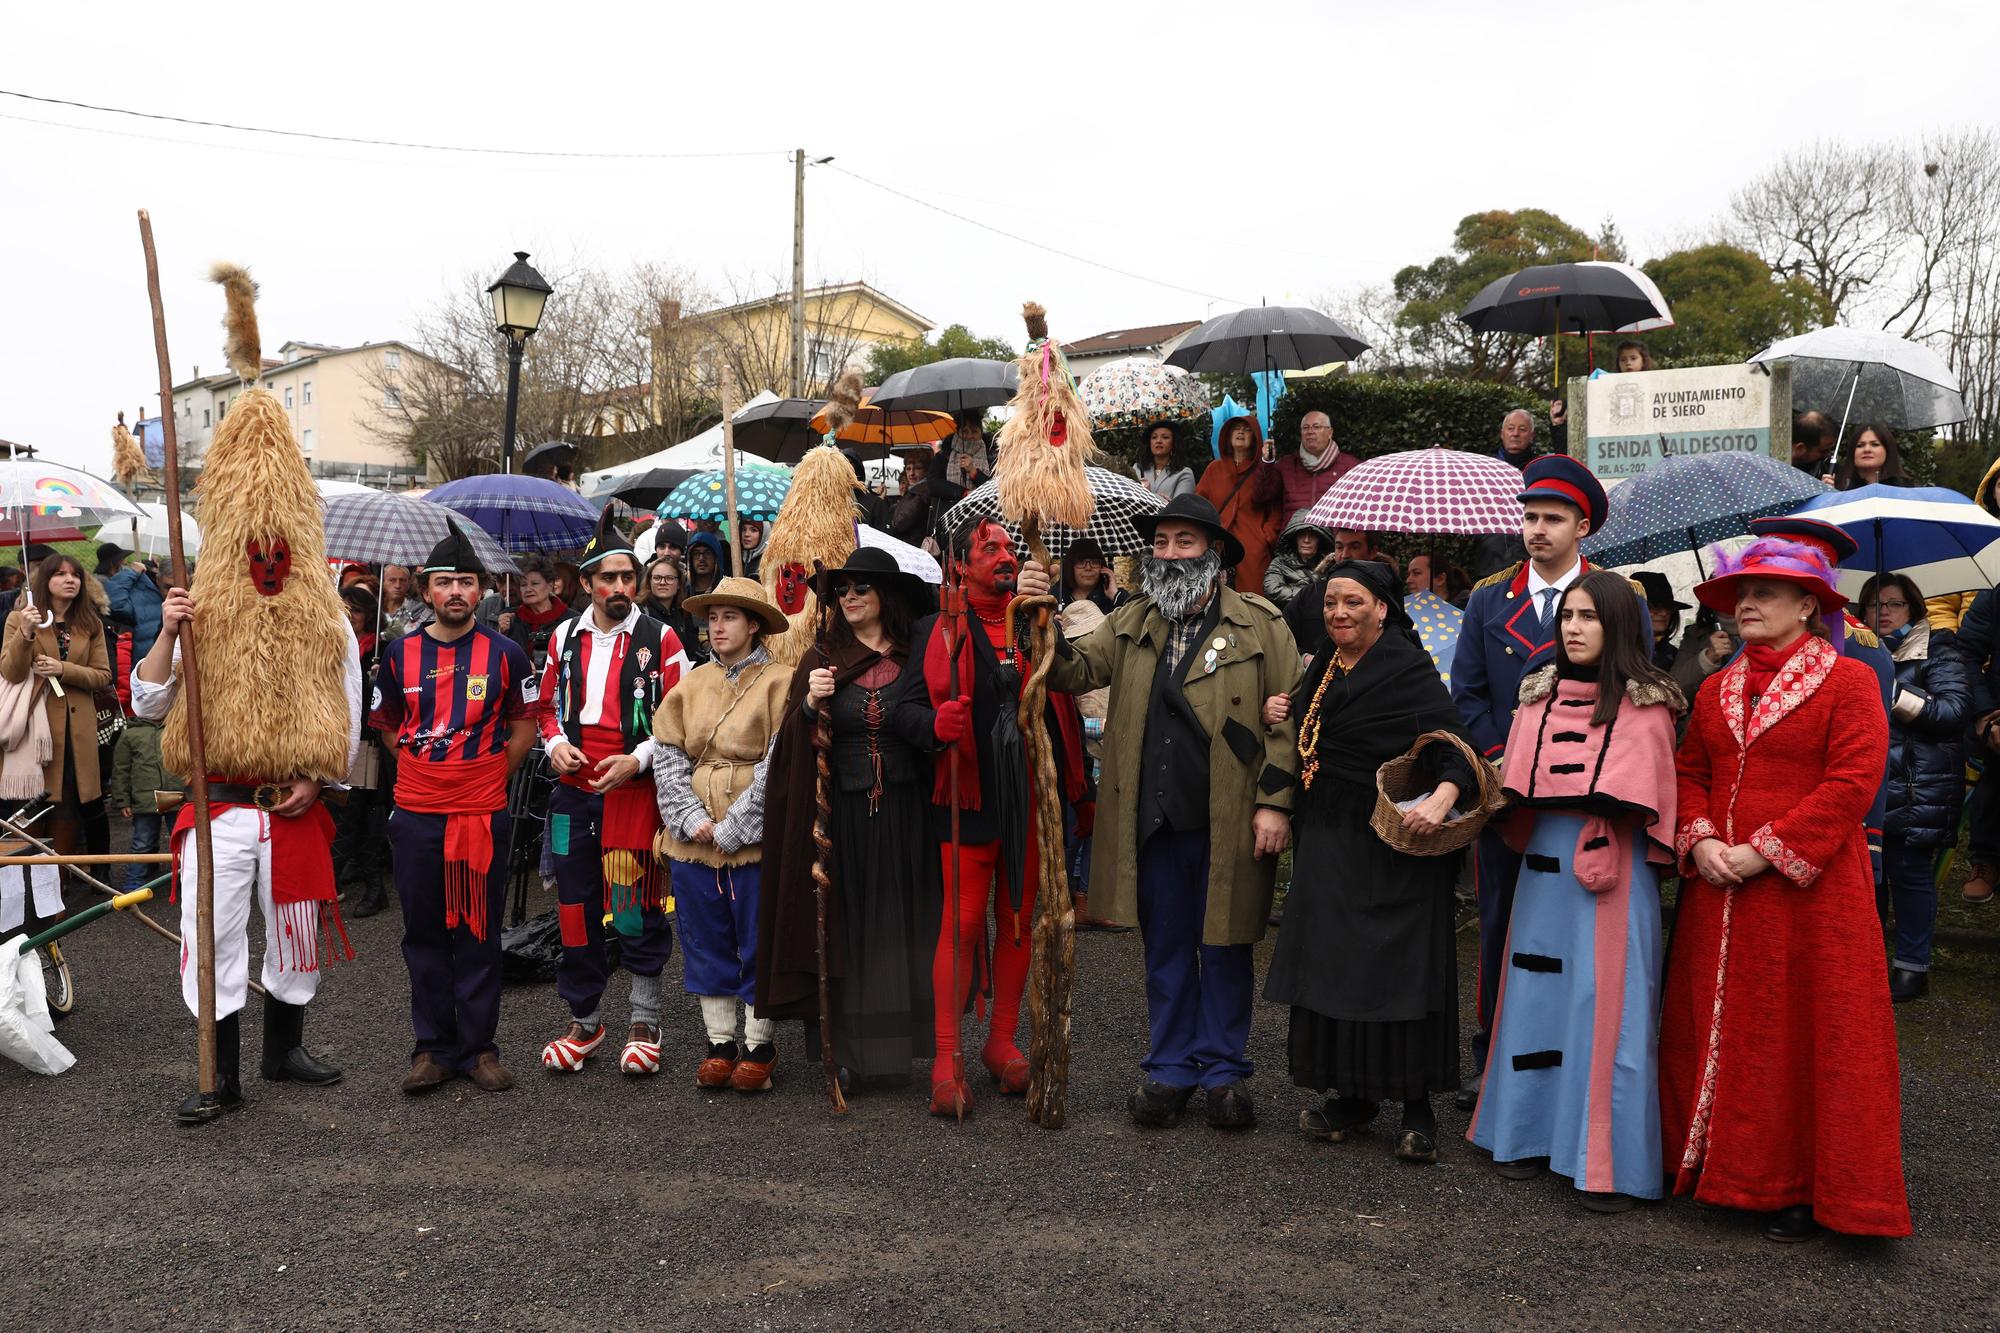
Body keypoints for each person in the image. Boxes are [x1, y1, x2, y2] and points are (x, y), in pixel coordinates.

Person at [135, 267, 362, 1124]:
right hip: (219, 804)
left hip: (294, 805)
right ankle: (218, 1069)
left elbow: (346, 700)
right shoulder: (198, 608)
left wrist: (323, 778)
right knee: (215, 934)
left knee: (296, 930)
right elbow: (149, 706)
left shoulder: (323, 614)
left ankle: (283, 1047)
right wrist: (166, 630)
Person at [1664, 537, 1910, 1241]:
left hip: (1812, 897)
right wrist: (1704, 837)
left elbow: (1854, 783)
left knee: (1810, 1033)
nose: (1747, 602)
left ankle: (1806, 1185)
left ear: (1808, 605)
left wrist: (1765, 851)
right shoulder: (1712, 689)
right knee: (1732, 1032)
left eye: (1766, 592)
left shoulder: (1850, 681)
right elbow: (1689, 773)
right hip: (1721, 890)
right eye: (1742, 591)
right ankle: (1728, 1168)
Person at [1030, 495, 1299, 1131]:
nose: (1171, 553)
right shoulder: (1129, 622)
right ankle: (1172, 1067)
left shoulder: (1264, 625)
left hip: (1231, 817)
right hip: (1151, 820)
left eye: (1185, 542)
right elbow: (1065, 671)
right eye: (1162, 542)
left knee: (1227, 943)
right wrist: (1037, 608)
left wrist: (1274, 805)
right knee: (1167, 945)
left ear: (1215, 555)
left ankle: (1225, 1072)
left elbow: (1288, 724)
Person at [1468, 571, 1683, 1211]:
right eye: (1568, 616)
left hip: (1611, 868)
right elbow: (1516, 786)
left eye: (1589, 616)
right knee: (1535, 996)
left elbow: (1648, 793)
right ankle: (1526, 1135)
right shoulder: (1535, 697)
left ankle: (1605, 1161)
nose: (1575, 627)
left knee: (1607, 1006)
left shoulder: (1650, 705)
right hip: (1544, 866)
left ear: (1617, 625)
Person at [1267, 559, 1475, 1164]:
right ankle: (1352, 1094)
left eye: (1353, 602)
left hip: (1394, 845)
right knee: (1336, 967)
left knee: (1399, 972)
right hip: (1329, 840)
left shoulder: (1406, 668)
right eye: (1331, 602)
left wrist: (1443, 796)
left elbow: (1453, 745)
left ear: (1382, 609)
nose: (1339, 613)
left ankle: (1416, 1108)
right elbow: (1310, 741)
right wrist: (1283, 710)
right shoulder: (1325, 669)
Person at [890, 516, 1092, 1117]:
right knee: (961, 925)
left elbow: (1067, 700)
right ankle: (948, 1058)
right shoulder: (936, 627)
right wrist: (934, 726)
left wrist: (1045, 619)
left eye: (1010, 546)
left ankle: (1001, 1042)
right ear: (959, 565)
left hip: (1032, 800)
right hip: (967, 802)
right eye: (990, 547)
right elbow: (904, 710)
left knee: (1019, 920)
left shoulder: (1035, 622)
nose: (1004, 555)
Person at [1450, 454, 1611, 1115]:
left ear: (1582, 526)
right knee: (1500, 925)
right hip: (1506, 796)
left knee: (1578, 930)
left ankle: (1577, 1061)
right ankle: (1493, 1056)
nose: (1537, 529)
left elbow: (1626, 690)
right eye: (1529, 517)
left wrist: (1573, 774)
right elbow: (1466, 693)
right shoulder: (1490, 597)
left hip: (1583, 796)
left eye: (1552, 519)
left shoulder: (1613, 597)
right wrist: (1504, 768)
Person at [758, 547, 938, 1091]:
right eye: (843, 589)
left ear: (887, 595)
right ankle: (852, 1056)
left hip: (908, 812)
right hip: (844, 817)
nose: (851, 596)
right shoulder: (823, 658)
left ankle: (898, 1050)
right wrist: (811, 706)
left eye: (862, 587)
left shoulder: (916, 653)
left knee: (899, 926)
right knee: (849, 925)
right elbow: (790, 742)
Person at [370, 522, 537, 1094]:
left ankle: (479, 1047)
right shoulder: (398, 654)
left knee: (479, 927)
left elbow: (524, 726)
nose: (457, 592)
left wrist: (486, 775)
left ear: (480, 589)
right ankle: (432, 1049)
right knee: (423, 930)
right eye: (445, 583)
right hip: (417, 811)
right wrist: (426, 774)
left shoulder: (507, 653)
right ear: (426, 591)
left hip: (482, 809)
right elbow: (388, 727)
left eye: (466, 582)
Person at [534, 510, 690, 1078]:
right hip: (574, 793)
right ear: (587, 583)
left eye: (629, 578)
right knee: (575, 907)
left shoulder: (663, 639)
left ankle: (645, 1022)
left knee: (633, 908)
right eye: (609, 579)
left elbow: (678, 719)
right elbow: (544, 708)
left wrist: (639, 758)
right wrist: (553, 745)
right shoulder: (561, 637)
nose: (621, 588)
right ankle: (585, 1021)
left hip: (633, 793)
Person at [653, 576, 793, 1091]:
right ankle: (719, 1042)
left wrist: (734, 828)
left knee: (757, 936)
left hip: (753, 836)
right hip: (693, 838)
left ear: (754, 625)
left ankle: (759, 1043)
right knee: (705, 935)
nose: (717, 627)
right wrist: (692, 821)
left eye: (729, 617)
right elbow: (667, 757)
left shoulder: (783, 681)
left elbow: (781, 764)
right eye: (711, 618)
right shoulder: (689, 685)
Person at [1860, 572, 1969, 1003]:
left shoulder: (1939, 649)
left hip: (1918, 786)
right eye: (1873, 604)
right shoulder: (1853, 651)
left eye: (1893, 604)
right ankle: (1865, 965)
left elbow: (1953, 712)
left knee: (1909, 875)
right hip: (1869, 788)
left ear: (1914, 609)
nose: (1882, 612)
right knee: (1868, 881)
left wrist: (1894, 691)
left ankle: (1912, 968)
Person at [2, 555, 113, 913]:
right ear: (45, 579)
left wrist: (63, 668)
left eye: (76, 575)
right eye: (61, 574)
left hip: (75, 732)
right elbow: (12, 671)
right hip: (33, 731)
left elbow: (103, 676)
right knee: (30, 810)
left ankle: (55, 892)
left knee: (67, 807)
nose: (70, 580)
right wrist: (27, 633)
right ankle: (26, 892)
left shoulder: (89, 623)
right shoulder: (21, 618)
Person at [1196, 416, 1286, 597]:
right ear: (1228, 436)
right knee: (1213, 597)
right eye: (1236, 428)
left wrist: (1266, 535)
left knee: (1252, 600)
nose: (1240, 432)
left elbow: (1273, 503)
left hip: (1252, 548)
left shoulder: (1264, 470)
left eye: (1246, 430)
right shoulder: (1214, 468)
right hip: (1217, 544)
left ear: (1255, 438)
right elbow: (1200, 502)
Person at [1283, 528, 1382, 662]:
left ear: (1372, 551)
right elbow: (1281, 636)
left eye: (1354, 546)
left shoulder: (1385, 595)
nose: (1344, 554)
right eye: (1339, 547)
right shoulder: (1311, 594)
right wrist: (1304, 658)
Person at [1274, 411, 1360, 515]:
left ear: (1330, 432)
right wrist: (1267, 462)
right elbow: (1262, 496)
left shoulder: (1350, 466)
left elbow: (1360, 508)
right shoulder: (1286, 465)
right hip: (1294, 529)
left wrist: (1345, 531)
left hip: (1333, 530)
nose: (1310, 431)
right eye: (1305, 428)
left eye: (1316, 427)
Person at [101, 545, 165, 663]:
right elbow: (115, 605)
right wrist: (131, 573)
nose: (124, 561)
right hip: (147, 664)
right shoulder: (139, 591)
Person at [641, 555, 709, 666]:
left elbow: (691, 650)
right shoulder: (640, 612)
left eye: (669, 578)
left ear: (679, 584)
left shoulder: (682, 613)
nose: (662, 582)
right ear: (649, 581)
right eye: (657, 578)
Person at [507, 554, 571, 670]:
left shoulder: (571, 620)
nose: (528, 589)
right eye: (523, 585)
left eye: (535, 583)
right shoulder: (511, 618)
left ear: (550, 585)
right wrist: (502, 632)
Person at [1264, 512, 1331, 612]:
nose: (1306, 540)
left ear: (1320, 539)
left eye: (1312, 535)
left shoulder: (1330, 564)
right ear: (1294, 538)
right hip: (1289, 618)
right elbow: (1272, 590)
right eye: (1302, 535)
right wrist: (1310, 594)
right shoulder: (1280, 563)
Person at [1632, 571, 1688, 671]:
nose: (1664, 613)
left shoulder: (1676, 656)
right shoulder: (1614, 652)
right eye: (1653, 607)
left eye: (1668, 607)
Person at [1830, 423, 1910, 489]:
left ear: (1888, 450)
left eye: (1875, 444)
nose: (1867, 449)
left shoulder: (1906, 490)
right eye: (1860, 445)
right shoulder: (1838, 487)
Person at [1057, 537, 1124, 615]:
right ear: (1071, 567)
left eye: (1094, 562)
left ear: (1102, 567)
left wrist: (1115, 594)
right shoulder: (1055, 598)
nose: (1088, 568)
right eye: (1081, 562)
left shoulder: (1115, 599)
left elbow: (1135, 618)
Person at [1135, 421, 1197, 503]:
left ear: (1173, 443)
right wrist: (1163, 499)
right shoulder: (1138, 468)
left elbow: (1180, 508)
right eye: (1154, 437)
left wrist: (1148, 495)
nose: (1158, 441)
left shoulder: (1184, 474)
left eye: (1165, 437)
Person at [380, 564, 432, 640]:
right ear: (383, 582)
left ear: (408, 583)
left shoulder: (420, 610)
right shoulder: (375, 608)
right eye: (392, 580)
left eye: (402, 580)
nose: (397, 585)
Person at [1790, 411, 1835, 476]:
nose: (1828, 455)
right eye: (1823, 451)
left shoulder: (1825, 468)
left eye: (1830, 449)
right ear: (1800, 448)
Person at [686, 532, 727, 598]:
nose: (701, 558)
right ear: (690, 559)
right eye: (696, 553)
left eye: (707, 553)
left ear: (716, 558)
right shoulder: (681, 593)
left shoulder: (727, 591)